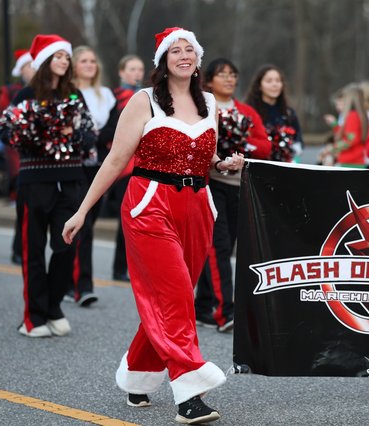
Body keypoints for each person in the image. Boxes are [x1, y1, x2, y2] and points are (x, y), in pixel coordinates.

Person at [62, 27, 243, 423]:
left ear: (197, 59)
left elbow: (205, 157)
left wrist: (224, 163)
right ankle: (190, 392)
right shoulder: (143, 101)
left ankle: (138, 376)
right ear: (163, 60)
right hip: (149, 204)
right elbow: (115, 161)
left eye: (190, 50)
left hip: (197, 206)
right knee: (176, 297)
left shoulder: (209, 102)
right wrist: (82, 211)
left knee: (173, 297)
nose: (184, 56)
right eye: (175, 51)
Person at [0, 34, 95, 338]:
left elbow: (89, 134)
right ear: (44, 61)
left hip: (70, 181)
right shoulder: (26, 95)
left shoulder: (75, 95)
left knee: (67, 245)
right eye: (58, 56)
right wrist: (45, 133)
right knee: (34, 250)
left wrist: (70, 136)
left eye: (66, 57)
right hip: (35, 182)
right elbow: (6, 130)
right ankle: (34, 316)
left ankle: (53, 307)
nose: (64, 61)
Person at [194, 58, 271, 333]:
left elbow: (265, 146)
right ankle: (224, 310)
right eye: (222, 74)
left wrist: (240, 143)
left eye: (233, 74)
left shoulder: (246, 111)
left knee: (227, 246)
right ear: (209, 80)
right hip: (212, 184)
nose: (229, 79)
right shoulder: (202, 107)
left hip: (239, 186)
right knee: (219, 246)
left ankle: (203, 306)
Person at [65, 45, 118, 306]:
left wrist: (93, 137)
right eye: (84, 61)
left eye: (93, 61)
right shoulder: (67, 92)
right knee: (81, 224)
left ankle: (67, 281)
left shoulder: (105, 94)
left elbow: (115, 126)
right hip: (75, 165)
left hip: (100, 163)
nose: (89, 65)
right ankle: (82, 286)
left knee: (89, 223)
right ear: (74, 65)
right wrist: (85, 138)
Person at [110, 54, 145, 282]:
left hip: (145, 165)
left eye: (140, 69)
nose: (136, 73)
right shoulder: (116, 98)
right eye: (132, 69)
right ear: (122, 72)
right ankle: (120, 267)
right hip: (124, 167)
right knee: (127, 219)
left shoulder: (148, 96)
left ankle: (137, 267)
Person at [0, 49, 36, 265]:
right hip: (18, 151)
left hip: (41, 156)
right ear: (21, 70)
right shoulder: (13, 91)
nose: (33, 70)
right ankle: (19, 248)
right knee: (23, 205)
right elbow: (6, 120)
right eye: (28, 66)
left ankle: (25, 249)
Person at [245, 64, 303, 162]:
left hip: (285, 165)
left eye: (278, 80)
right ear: (259, 85)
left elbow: (298, 140)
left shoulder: (288, 113)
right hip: (258, 164)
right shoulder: (249, 112)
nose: (275, 84)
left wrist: (294, 153)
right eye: (269, 81)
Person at [322, 83, 369, 168]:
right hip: (355, 161)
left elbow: (350, 140)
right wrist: (335, 125)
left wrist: (332, 148)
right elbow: (347, 135)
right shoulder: (358, 115)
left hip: (350, 162)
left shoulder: (352, 116)